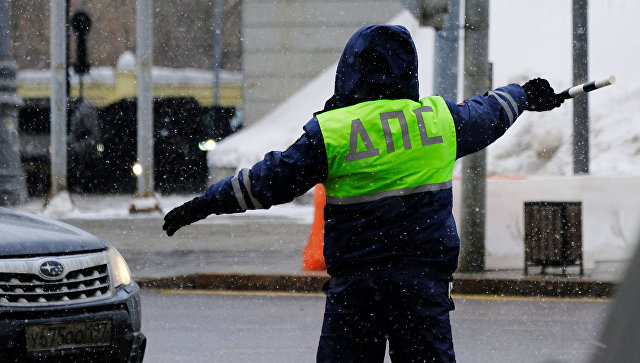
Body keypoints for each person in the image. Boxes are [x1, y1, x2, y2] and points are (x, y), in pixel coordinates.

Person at [163, 24, 564, 362]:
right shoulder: (440, 120)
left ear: (350, 69)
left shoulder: (332, 133)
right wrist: (525, 94)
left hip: (358, 290)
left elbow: (266, 182)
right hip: (422, 287)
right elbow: (490, 112)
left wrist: (203, 204)